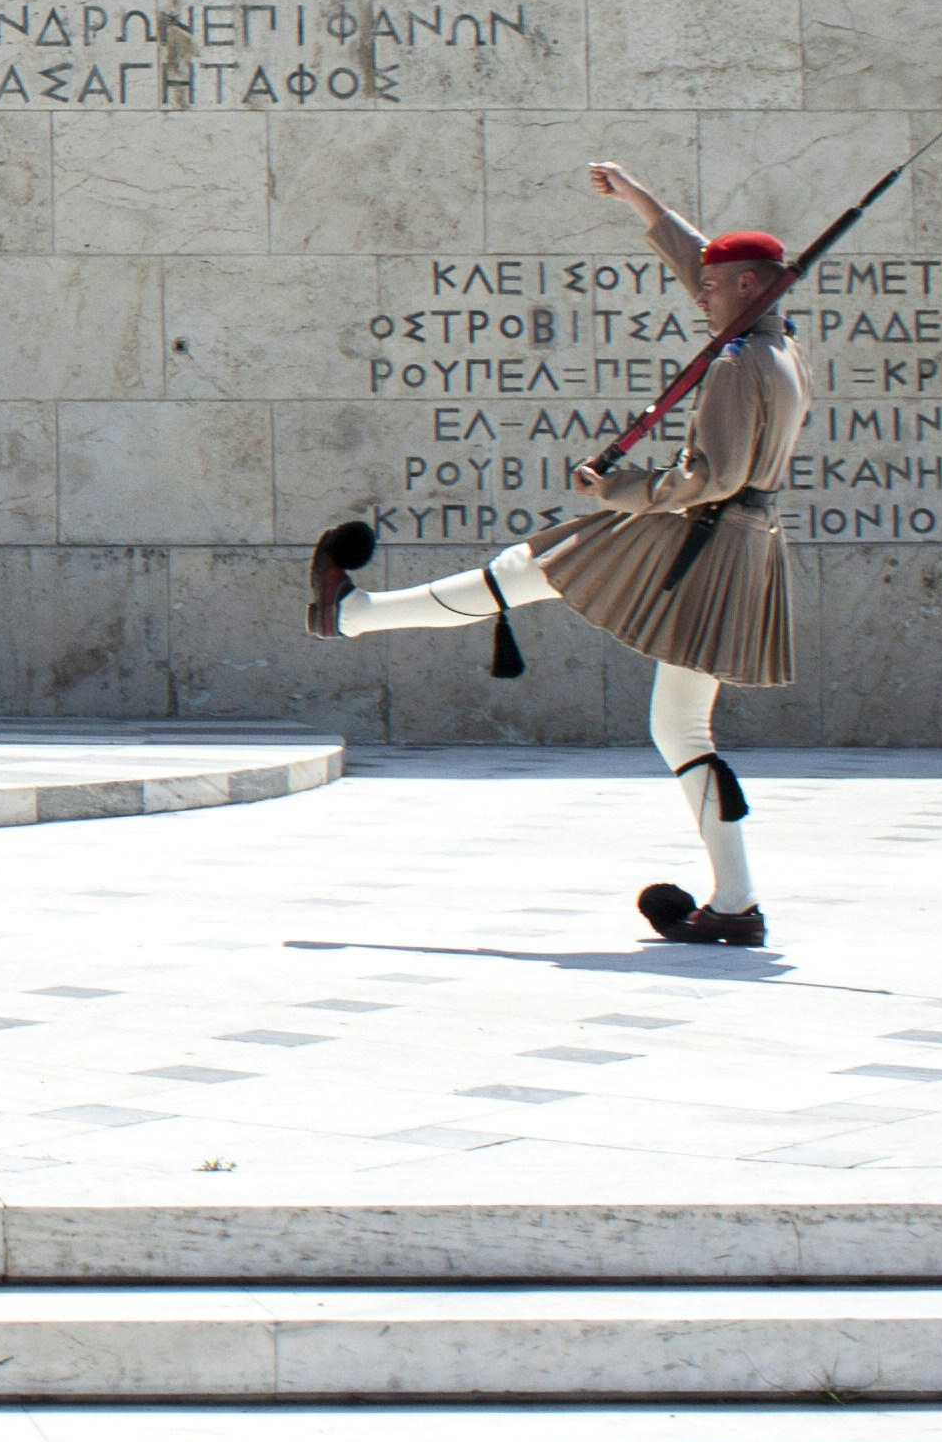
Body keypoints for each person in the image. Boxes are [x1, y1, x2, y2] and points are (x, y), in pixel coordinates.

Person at [310, 162, 808, 947]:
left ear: (749, 287)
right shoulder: (777, 347)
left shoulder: (736, 365)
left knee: (528, 571)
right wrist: (643, 202)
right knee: (681, 728)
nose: (701, 294)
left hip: (695, 539)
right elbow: (701, 263)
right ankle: (737, 903)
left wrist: (615, 490)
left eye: (716, 286)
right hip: (742, 550)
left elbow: (712, 476)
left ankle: (354, 614)